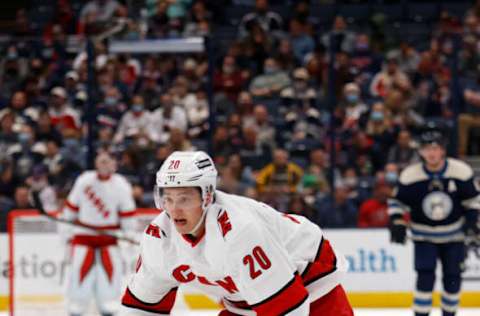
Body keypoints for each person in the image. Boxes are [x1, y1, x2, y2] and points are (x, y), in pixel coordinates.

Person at [120, 151, 353, 315]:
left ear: (207, 196)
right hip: (246, 303)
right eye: (167, 198)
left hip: (314, 291)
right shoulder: (158, 238)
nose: (173, 209)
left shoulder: (240, 232)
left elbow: (287, 308)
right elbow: (142, 307)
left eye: (184, 198)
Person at [388, 130, 480, 316]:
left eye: (435, 148)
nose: (431, 153)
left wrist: (472, 220)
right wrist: (397, 220)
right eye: (426, 149)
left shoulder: (461, 171)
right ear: (420, 152)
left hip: (454, 236)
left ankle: (449, 314)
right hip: (424, 236)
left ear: (443, 150)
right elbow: (397, 202)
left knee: (453, 279)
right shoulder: (410, 175)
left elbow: (473, 199)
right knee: (425, 277)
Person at [61, 151, 136, 316]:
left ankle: (108, 304)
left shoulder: (121, 185)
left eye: (107, 161)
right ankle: (77, 306)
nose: (103, 164)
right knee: (80, 272)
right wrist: (66, 235)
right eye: (100, 160)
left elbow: (127, 215)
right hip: (83, 236)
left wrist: (129, 236)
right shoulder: (84, 180)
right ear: (95, 163)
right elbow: (70, 210)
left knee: (109, 273)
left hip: (108, 238)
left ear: (114, 164)